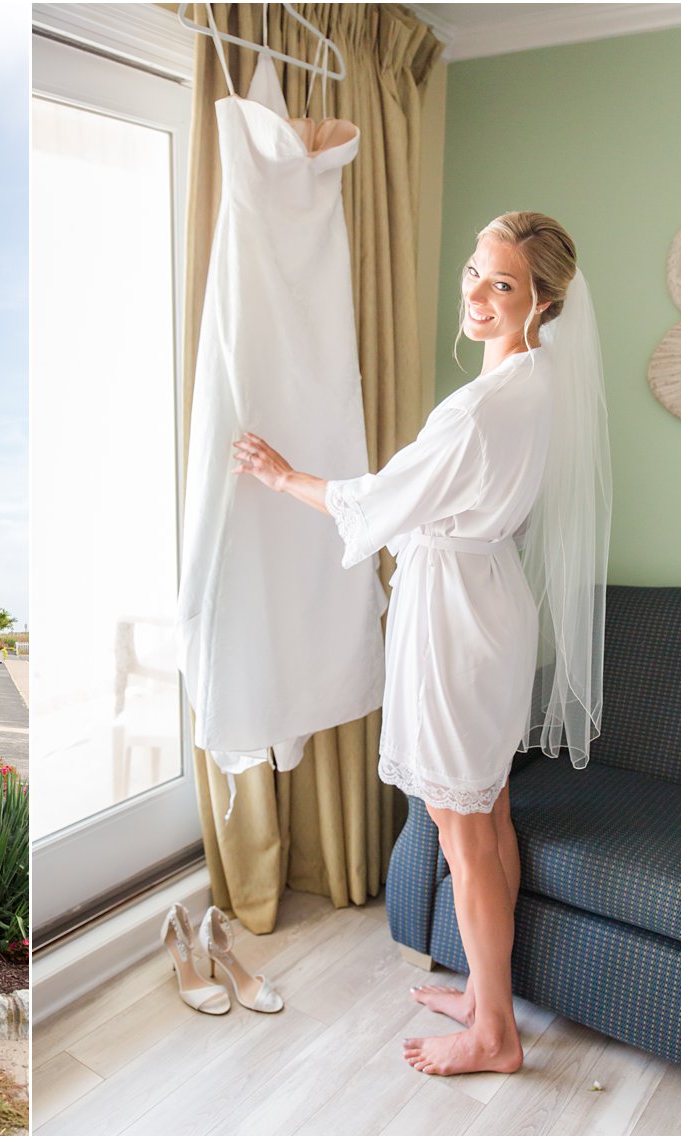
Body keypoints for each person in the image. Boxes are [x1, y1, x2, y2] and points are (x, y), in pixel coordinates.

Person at [232, 211, 610, 1077]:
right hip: (488, 602)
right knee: (488, 810)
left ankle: (494, 1034)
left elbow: (379, 501)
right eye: (476, 270)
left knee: (461, 828)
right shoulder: (540, 383)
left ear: (542, 303)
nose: (476, 292)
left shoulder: (481, 410)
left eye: (502, 284)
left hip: (455, 619)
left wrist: (283, 473)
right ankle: (485, 995)